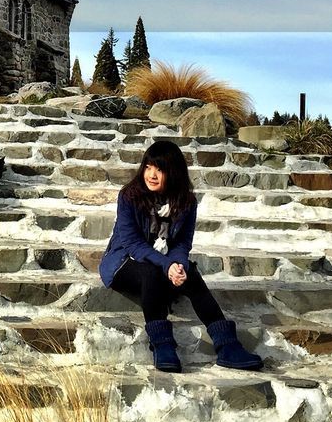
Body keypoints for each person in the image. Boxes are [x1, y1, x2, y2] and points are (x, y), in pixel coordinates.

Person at [98, 138, 263, 373]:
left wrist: (179, 265)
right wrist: (167, 265)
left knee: (192, 275)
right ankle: (163, 345)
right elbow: (133, 244)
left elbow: (182, 243)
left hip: (163, 262)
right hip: (124, 262)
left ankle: (227, 345)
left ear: (173, 172)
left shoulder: (186, 202)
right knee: (151, 272)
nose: (152, 175)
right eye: (148, 167)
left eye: (160, 169)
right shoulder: (129, 196)